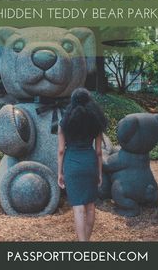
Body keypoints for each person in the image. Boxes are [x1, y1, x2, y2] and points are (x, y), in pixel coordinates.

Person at [57, 88, 107, 241]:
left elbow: (60, 151)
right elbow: (99, 151)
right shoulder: (96, 122)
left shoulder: (64, 123)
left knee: (78, 207)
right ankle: (86, 241)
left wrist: (60, 173)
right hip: (90, 162)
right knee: (90, 206)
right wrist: (99, 173)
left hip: (72, 164)